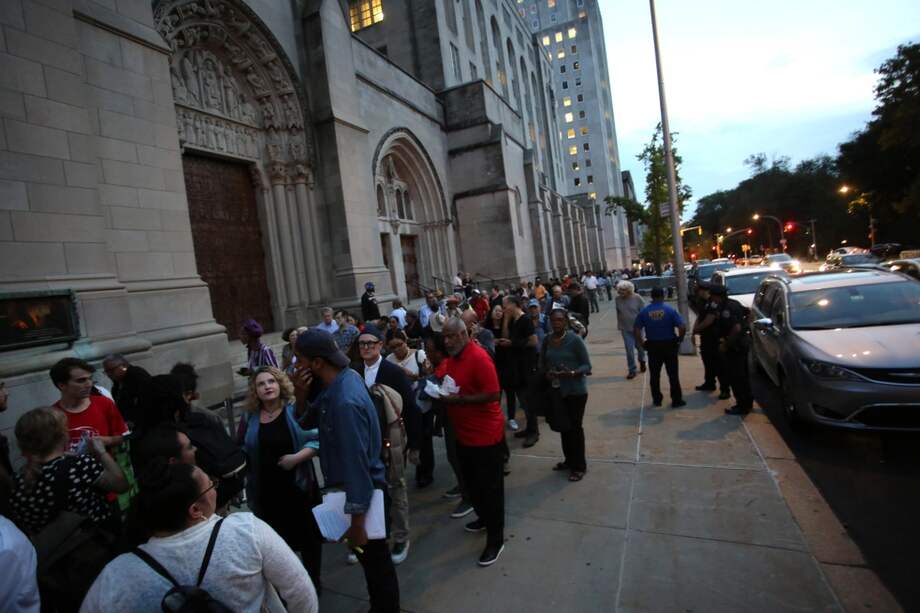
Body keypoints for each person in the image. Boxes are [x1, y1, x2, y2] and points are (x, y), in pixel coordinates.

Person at [80, 460, 318, 613]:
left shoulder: (117, 574)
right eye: (209, 486)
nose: (215, 489)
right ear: (195, 510)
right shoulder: (246, 532)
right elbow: (300, 592)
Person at [293, 329, 400, 611]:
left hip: (364, 499)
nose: (296, 367)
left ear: (316, 363)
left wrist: (357, 524)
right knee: (374, 566)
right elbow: (305, 422)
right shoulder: (340, 381)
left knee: (377, 568)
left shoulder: (345, 402)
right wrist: (301, 396)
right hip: (357, 496)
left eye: (299, 360)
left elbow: (357, 467)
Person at [239, 366, 323, 592]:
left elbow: (317, 439)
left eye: (271, 382)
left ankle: (313, 582)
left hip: (298, 487)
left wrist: (296, 458)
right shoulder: (250, 417)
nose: (267, 387)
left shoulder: (296, 409)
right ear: (255, 391)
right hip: (266, 491)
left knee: (308, 540)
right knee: (277, 543)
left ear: (280, 384)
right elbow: (241, 447)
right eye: (261, 384)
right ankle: (290, 584)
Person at [440, 318, 506, 566]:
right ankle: (483, 518)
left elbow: (493, 393)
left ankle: (496, 539)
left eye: (450, 336)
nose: (446, 342)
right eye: (444, 337)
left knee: (490, 489)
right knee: (473, 485)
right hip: (463, 434)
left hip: (485, 436)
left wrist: (461, 401)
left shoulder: (478, 357)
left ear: (463, 334)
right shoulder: (453, 359)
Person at [353, 325, 419, 565]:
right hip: (364, 443)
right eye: (362, 344)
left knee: (396, 487)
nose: (367, 347)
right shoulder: (354, 372)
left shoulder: (393, 372)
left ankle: (401, 536)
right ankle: (375, 533)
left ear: (380, 345)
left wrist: (415, 444)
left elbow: (411, 408)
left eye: (371, 343)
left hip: (391, 441)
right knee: (369, 489)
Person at [10, 407, 128, 535]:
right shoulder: (79, 466)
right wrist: (101, 452)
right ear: (61, 435)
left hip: (53, 549)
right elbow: (121, 485)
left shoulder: (18, 479)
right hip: (90, 541)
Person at [542, 308, 592, 481]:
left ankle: (580, 466)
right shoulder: (547, 339)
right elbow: (543, 363)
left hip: (576, 391)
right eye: (553, 320)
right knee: (564, 427)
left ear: (566, 322)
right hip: (557, 391)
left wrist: (571, 373)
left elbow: (587, 366)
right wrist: (548, 373)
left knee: (575, 429)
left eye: (559, 320)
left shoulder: (575, 340)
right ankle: (569, 460)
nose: (556, 323)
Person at [50, 358, 128, 452]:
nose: (89, 384)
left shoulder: (104, 403)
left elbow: (122, 437)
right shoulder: (51, 416)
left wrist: (106, 441)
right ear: (62, 385)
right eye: (81, 380)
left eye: (90, 378)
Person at [386, 330, 432, 487]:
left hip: (420, 403)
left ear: (405, 341)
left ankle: (425, 472)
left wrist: (414, 376)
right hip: (401, 406)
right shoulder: (388, 361)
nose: (397, 350)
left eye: (399, 345)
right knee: (411, 437)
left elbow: (429, 377)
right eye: (393, 347)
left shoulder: (419, 355)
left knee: (424, 438)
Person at [634, 288, 686, 408]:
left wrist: (642, 344)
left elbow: (636, 330)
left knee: (654, 375)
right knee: (673, 374)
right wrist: (680, 339)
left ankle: (657, 399)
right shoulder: (670, 310)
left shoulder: (644, 312)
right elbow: (682, 327)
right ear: (663, 296)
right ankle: (676, 400)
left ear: (652, 297)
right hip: (669, 345)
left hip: (653, 346)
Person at [710, 285, 755, 415]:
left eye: (712, 296)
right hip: (741, 344)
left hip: (735, 347)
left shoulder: (727, 308)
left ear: (716, 296)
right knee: (743, 376)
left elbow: (735, 328)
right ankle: (747, 402)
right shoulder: (734, 303)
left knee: (737, 377)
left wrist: (726, 344)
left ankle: (742, 405)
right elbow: (749, 313)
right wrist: (745, 326)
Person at [497, 296, 537, 438]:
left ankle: (533, 432)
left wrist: (513, 344)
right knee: (523, 399)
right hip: (516, 367)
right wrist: (506, 320)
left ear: (514, 304)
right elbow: (506, 336)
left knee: (528, 400)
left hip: (526, 366)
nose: (503, 308)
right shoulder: (513, 320)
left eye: (505, 305)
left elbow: (533, 341)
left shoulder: (525, 319)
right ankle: (529, 428)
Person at [691, 283, 729, 397]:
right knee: (707, 362)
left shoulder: (714, 304)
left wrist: (696, 329)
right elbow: (700, 316)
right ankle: (709, 383)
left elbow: (709, 320)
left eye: (699, 291)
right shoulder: (704, 303)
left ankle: (724, 389)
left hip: (714, 338)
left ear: (705, 291)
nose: (698, 293)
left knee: (719, 364)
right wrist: (695, 329)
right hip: (706, 337)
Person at [101, 354, 152, 426]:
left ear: (124, 366)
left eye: (112, 370)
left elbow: (146, 399)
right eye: (106, 372)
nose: (109, 374)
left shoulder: (137, 375)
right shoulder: (117, 383)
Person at [615, 281, 647, 379]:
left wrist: (644, 325)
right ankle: (632, 370)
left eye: (623, 291)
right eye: (619, 291)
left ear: (629, 290)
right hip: (625, 328)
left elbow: (644, 313)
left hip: (638, 328)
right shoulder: (617, 299)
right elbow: (618, 312)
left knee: (640, 348)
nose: (621, 293)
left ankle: (642, 360)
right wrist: (619, 324)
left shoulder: (637, 298)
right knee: (629, 350)